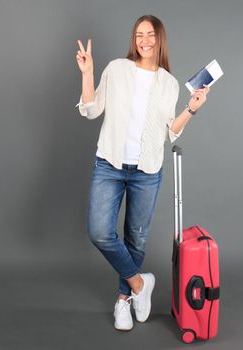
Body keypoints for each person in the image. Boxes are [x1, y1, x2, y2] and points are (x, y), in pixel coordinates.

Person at [75, 15, 210, 331]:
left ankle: (123, 300)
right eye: (139, 35)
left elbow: (168, 132)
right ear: (133, 40)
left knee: (135, 238)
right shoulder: (116, 69)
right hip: (109, 164)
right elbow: (91, 109)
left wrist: (191, 109)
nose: (144, 40)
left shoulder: (168, 83)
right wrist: (88, 72)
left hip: (147, 170)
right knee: (99, 231)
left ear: (159, 38)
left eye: (150, 34)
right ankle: (139, 284)